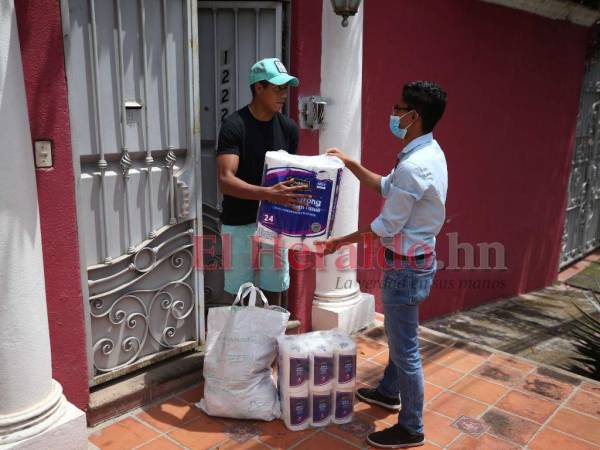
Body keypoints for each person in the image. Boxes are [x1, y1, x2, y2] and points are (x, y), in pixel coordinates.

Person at [319, 81, 448, 448]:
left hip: (407, 268)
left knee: (406, 347)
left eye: (399, 107)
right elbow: (384, 186)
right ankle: (389, 392)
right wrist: (350, 163)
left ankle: (411, 427)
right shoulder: (427, 153)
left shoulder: (416, 165)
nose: (393, 113)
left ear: (414, 116)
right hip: (414, 262)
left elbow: (385, 226)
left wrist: (338, 243)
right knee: (399, 332)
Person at [216, 57, 308, 313]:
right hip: (239, 223)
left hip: (275, 224)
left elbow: (291, 176)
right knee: (243, 296)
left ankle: (270, 349)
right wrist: (267, 194)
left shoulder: (288, 128)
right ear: (259, 88)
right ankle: (244, 351)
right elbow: (225, 180)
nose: (283, 95)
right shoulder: (234, 125)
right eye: (277, 88)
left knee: (274, 291)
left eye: (285, 88)